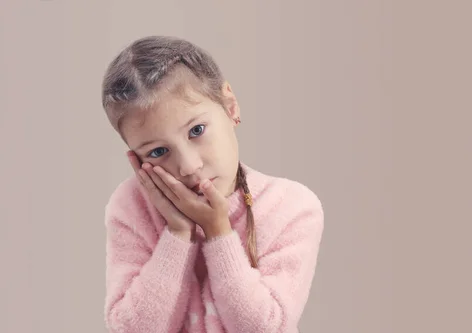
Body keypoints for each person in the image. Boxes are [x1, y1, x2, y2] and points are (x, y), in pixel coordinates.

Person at [100, 35, 324, 333]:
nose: (189, 166)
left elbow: (265, 328)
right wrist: (178, 233)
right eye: (157, 152)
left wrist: (219, 231)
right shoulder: (131, 206)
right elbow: (131, 329)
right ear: (138, 160)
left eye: (197, 130)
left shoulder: (291, 207)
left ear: (230, 106)